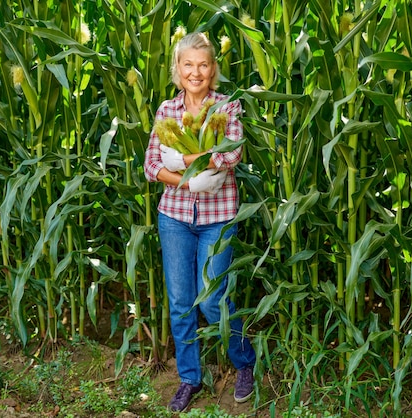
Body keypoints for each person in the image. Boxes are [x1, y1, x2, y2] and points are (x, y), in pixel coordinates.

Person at [143, 32, 256, 413]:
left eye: (203, 64)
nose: (196, 72)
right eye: (188, 64)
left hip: (217, 218)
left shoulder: (228, 107)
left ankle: (244, 364)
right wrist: (187, 179)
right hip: (174, 217)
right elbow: (152, 166)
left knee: (212, 301)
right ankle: (190, 378)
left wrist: (191, 157)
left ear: (213, 69)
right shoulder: (166, 111)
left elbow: (232, 153)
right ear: (177, 69)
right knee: (179, 303)